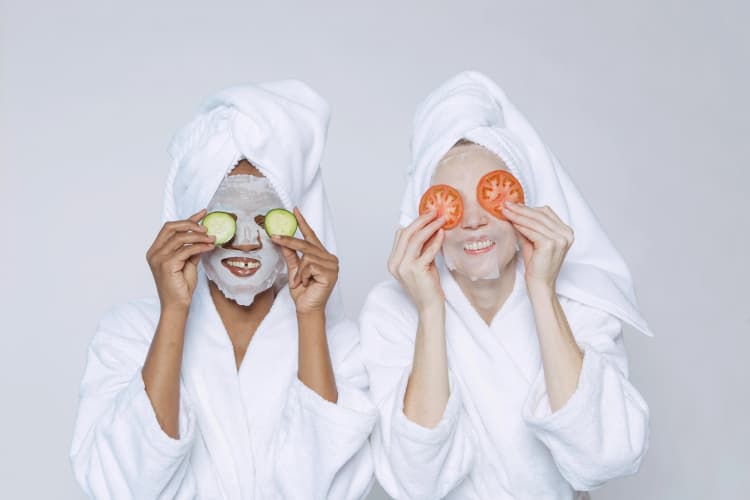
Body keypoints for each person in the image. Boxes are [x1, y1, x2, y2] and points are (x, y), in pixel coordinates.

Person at [70, 81, 377, 499]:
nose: (245, 241)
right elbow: (125, 487)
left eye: (266, 219)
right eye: (226, 218)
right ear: (191, 220)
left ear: (298, 223)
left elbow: (325, 488)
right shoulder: (129, 332)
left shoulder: (341, 345)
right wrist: (174, 311)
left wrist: (310, 318)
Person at [361, 71, 652, 499]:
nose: (475, 219)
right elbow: (416, 481)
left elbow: (605, 457)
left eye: (494, 194)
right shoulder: (390, 310)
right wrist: (430, 310)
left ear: (526, 203)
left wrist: (543, 290)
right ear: (425, 218)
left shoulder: (579, 300)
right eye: (449, 203)